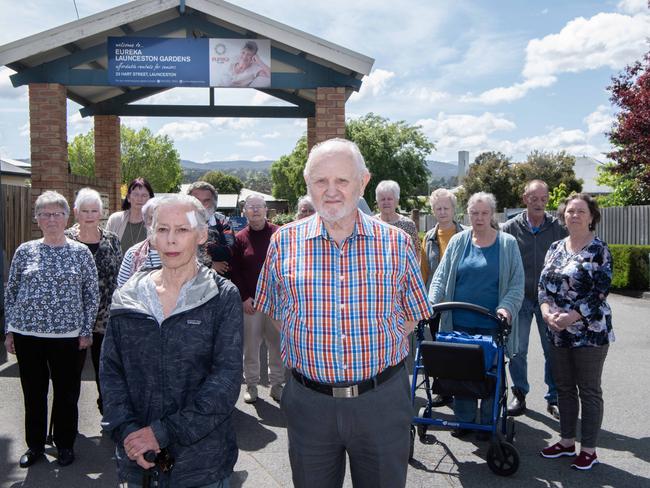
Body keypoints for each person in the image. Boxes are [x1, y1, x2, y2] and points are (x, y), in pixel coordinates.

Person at [256, 138, 431, 488]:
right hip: (309, 404)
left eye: (342, 180)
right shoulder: (283, 242)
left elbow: (413, 312)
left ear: (363, 182)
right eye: (321, 181)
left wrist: (376, 344)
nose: (331, 191)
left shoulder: (396, 243)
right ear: (308, 185)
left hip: (381, 401)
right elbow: (276, 311)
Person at [100, 194, 243, 487]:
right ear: (151, 236)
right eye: (162, 229)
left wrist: (161, 433)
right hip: (137, 459)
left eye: (182, 230)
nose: (171, 240)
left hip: (201, 465)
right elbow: (111, 371)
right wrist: (129, 432)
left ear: (202, 235)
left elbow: (225, 381)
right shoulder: (128, 296)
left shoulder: (222, 296)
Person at [4, 191, 99, 468]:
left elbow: (91, 295)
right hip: (27, 335)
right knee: (33, 393)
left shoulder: (80, 253)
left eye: (57, 213)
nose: (51, 219)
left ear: (67, 217)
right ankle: (34, 446)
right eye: (45, 214)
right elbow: (12, 292)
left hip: (67, 337)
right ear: (37, 219)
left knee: (66, 394)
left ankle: (65, 444)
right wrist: (10, 330)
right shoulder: (26, 250)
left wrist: (85, 331)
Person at [429, 192, 524, 439]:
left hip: (491, 326)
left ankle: (487, 421)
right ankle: (465, 421)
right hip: (458, 323)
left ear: (492, 214)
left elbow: (516, 285)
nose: (479, 218)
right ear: (467, 214)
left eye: (484, 213)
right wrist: (430, 303)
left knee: (490, 377)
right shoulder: (458, 241)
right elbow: (440, 277)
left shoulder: (507, 244)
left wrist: (505, 308)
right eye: (474, 213)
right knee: (462, 376)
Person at [538, 193, 614, 471]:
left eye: (581, 211)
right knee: (564, 389)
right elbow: (542, 285)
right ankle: (567, 441)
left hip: (590, 333)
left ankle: (589, 450)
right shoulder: (555, 247)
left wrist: (572, 315)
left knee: (589, 391)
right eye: (570, 211)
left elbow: (600, 292)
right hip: (558, 331)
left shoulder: (599, 250)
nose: (574, 215)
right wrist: (546, 312)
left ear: (592, 217)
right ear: (563, 216)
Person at [501, 180, 567, 419]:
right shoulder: (510, 228)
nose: (539, 202)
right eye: (533, 198)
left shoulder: (559, 227)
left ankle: (554, 397)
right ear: (524, 198)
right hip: (520, 299)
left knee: (553, 350)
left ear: (548, 199)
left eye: (543, 198)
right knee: (517, 350)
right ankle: (519, 394)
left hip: (550, 300)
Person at [65, 188, 122, 415]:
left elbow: (119, 276)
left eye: (94, 211)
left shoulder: (112, 240)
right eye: (85, 211)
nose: (89, 215)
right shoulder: (66, 239)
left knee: (105, 370)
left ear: (102, 213)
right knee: (70, 373)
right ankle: (66, 420)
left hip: (105, 318)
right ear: (76, 212)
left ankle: (108, 414)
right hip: (73, 319)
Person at [231, 194, 283, 404]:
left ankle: (277, 384)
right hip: (251, 303)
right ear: (244, 212)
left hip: (276, 302)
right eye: (250, 207)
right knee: (251, 347)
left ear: (266, 209)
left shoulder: (279, 234)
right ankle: (252, 384)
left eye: (259, 206)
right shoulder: (239, 238)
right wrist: (244, 297)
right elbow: (234, 271)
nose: (255, 210)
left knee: (277, 345)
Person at [420, 188, 466, 407]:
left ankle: (464, 390)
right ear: (433, 210)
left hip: (461, 301)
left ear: (454, 209)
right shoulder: (428, 238)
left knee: (461, 347)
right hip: (437, 303)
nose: (442, 212)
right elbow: (424, 271)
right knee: (441, 347)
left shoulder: (466, 235)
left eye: (446, 208)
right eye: (438, 208)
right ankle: (445, 390)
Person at [187, 181, 235, 277]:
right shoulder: (178, 222)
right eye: (196, 200)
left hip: (216, 284)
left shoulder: (223, 222)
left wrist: (198, 247)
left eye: (206, 201)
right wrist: (209, 264)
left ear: (214, 202)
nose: (200, 205)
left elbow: (228, 251)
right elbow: (178, 253)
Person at [117, 198, 161, 288]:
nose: (155, 223)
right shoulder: (133, 254)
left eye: (160, 218)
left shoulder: (180, 253)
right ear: (145, 222)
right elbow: (121, 290)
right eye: (151, 218)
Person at [106, 178, 154, 253]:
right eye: (135, 194)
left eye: (144, 195)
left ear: (150, 199)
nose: (139, 199)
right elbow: (107, 250)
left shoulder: (155, 223)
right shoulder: (115, 220)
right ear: (128, 198)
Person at [374, 180, 419, 255]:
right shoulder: (371, 224)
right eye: (382, 199)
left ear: (397, 201)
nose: (386, 202)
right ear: (377, 202)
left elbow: (417, 252)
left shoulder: (408, 224)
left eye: (389, 199)